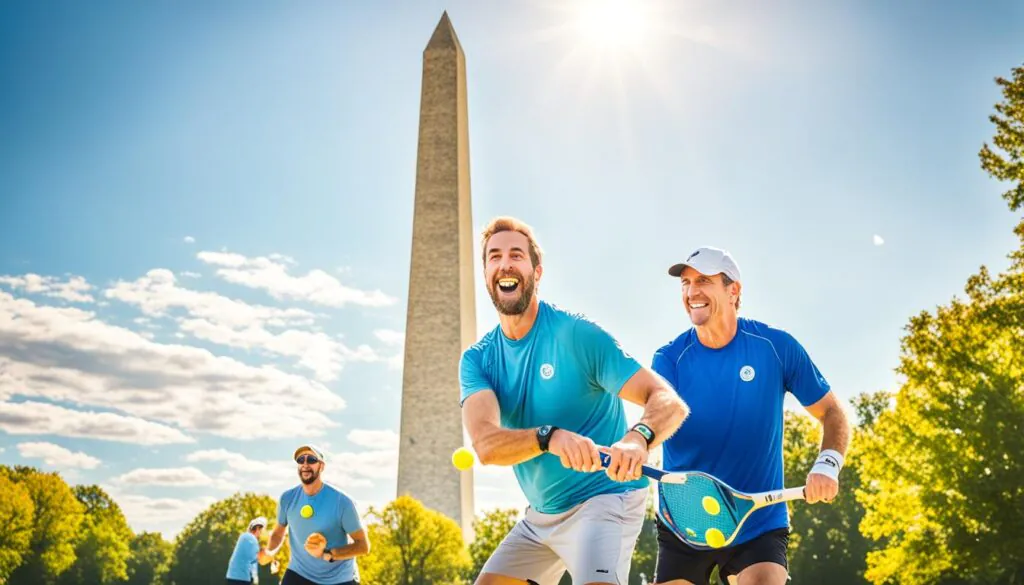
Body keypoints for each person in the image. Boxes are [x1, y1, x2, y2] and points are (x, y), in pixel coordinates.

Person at [461, 216, 690, 585]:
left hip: (605, 499)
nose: (505, 263)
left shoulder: (577, 336)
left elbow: (667, 400)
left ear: (537, 271)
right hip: (540, 517)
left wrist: (638, 438)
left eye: (516, 255)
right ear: (486, 272)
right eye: (494, 257)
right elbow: (487, 445)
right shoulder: (478, 359)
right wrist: (550, 437)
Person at [651, 246, 853, 585]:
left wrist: (827, 464)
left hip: (758, 519)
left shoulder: (776, 347)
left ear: (734, 291)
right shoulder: (669, 358)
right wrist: (637, 444)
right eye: (685, 283)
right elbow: (658, 414)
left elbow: (833, 412)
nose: (691, 292)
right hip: (684, 519)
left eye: (703, 280)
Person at [265, 444, 370, 585]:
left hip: (338, 579)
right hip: (299, 572)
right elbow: (278, 533)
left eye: (311, 460)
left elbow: (363, 546)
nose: (305, 464)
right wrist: (269, 552)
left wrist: (329, 554)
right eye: (301, 460)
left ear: (321, 466)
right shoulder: (287, 499)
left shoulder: (342, 502)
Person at [226, 516, 271, 585]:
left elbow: (252, 560)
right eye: (261, 529)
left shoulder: (244, 537)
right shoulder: (251, 539)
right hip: (240, 578)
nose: (261, 533)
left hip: (234, 576)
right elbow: (257, 559)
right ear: (258, 529)